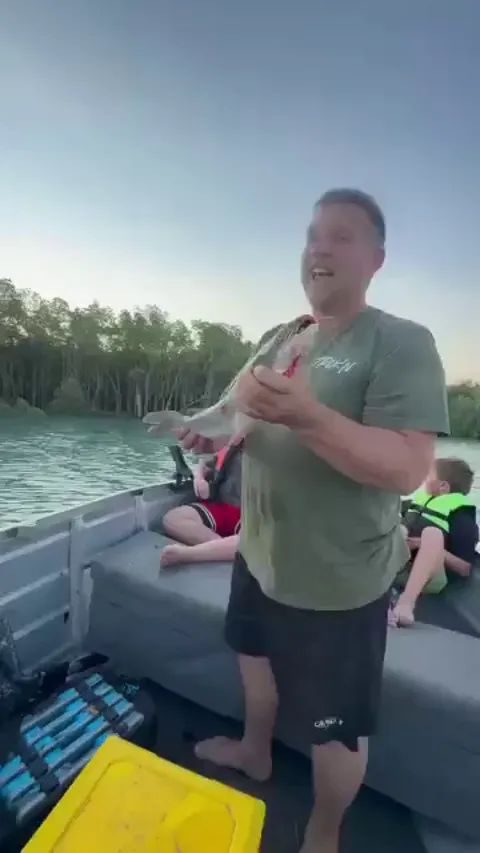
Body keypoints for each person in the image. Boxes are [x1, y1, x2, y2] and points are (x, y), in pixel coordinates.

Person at [175, 188, 449, 853]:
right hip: (258, 553)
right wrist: (209, 434)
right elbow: (234, 418)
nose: (319, 248)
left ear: (376, 260)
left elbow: (406, 467)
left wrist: (308, 416)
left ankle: (324, 833)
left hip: (339, 581)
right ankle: (255, 751)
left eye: (341, 236)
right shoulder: (279, 337)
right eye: (312, 235)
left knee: (337, 730)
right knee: (253, 660)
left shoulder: (401, 342)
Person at [390, 457, 478, 627]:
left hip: (431, 578)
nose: (424, 479)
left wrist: (422, 544)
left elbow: (464, 568)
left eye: (429, 476)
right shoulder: (419, 503)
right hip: (398, 565)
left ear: (443, 486)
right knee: (391, 520)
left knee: (432, 533)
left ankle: (406, 603)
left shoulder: (461, 517)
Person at [160, 443, 242, 566]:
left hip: (254, 514)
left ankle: (189, 554)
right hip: (223, 507)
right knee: (172, 519)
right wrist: (199, 478)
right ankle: (222, 547)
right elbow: (205, 461)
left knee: (256, 541)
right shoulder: (226, 441)